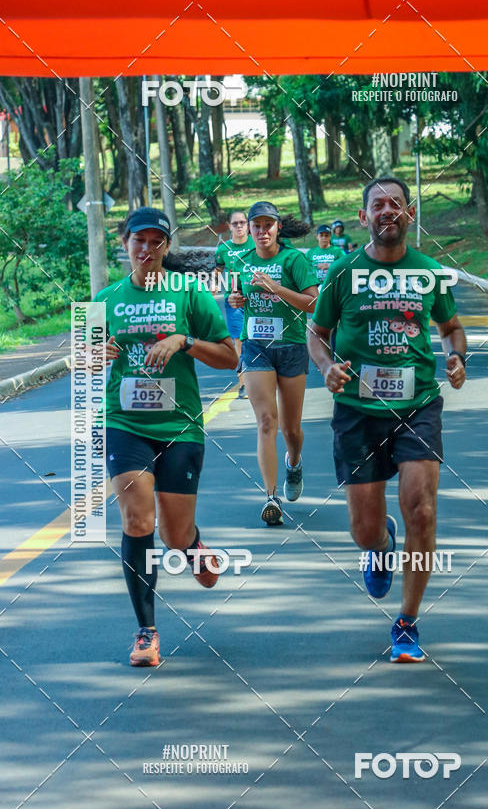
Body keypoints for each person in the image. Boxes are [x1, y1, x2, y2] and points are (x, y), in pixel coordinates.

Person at [308, 177, 467, 662]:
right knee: (364, 529)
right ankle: (380, 544)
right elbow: (317, 332)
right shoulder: (343, 272)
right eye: (377, 204)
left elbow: (451, 328)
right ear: (364, 217)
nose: (387, 210)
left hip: (418, 406)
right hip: (358, 412)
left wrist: (456, 356)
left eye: (396, 203)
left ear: (410, 213)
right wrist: (326, 366)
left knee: (422, 508)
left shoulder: (429, 273)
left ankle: (407, 621)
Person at [94, 207, 238, 667]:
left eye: (156, 241)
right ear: (125, 244)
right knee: (138, 521)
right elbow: (83, 360)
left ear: (166, 247)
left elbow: (230, 357)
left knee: (173, 535)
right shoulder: (106, 298)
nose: (147, 248)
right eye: (139, 240)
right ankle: (146, 632)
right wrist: (94, 354)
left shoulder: (189, 292)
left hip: (179, 427)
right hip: (125, 422)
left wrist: (184, 341)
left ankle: (192, 545)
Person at [228, 201, 319, 525]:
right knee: (266, 421)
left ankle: (294, 462)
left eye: (269, 225)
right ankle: (271, 497)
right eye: (257, 225)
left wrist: (276, 288)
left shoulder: (294, 260)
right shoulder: (242, 261)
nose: (262, 231)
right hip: (256, 347)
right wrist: (235, 299)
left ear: (278, 227)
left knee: (290, 429)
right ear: (250, 229)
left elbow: (314, 303)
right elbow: (238, 297)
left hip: (291, 346)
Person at [215, 210, 254, 398]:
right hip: (233, 300)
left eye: (242, 222)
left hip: (256, 298)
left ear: (248, 225)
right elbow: (217, 271)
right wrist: (213, 286)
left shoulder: (256, 244)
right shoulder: (223, 249)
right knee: (238, 340)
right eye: (235, 223)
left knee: (256, 338)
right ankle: (244, 384)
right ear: (229, 226)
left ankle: (263, 378)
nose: (239, 226)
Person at [305, 224, 346, 290]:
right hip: (315, 285)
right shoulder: (310, 253)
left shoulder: (338, 251)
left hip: (333, 284)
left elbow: (345, 266)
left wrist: (330, 265)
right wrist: (316, 265)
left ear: (330, 237)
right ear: (317, 236)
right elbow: (305, 269)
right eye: (321, 235)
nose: (324, 238)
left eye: (326, 235)